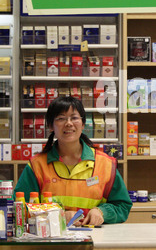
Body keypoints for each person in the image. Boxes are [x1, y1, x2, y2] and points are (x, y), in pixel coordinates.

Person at [14, 96, 132, 226]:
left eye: (74, 118)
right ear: (50, 126)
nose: (68, 123)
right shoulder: (37, 166)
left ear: (83, 124)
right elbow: (19, 208)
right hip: (51, 241)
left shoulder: (105, 164)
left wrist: (102, 211)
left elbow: (122, 206)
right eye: (61, 118)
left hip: (94, 240)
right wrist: (58, 215)